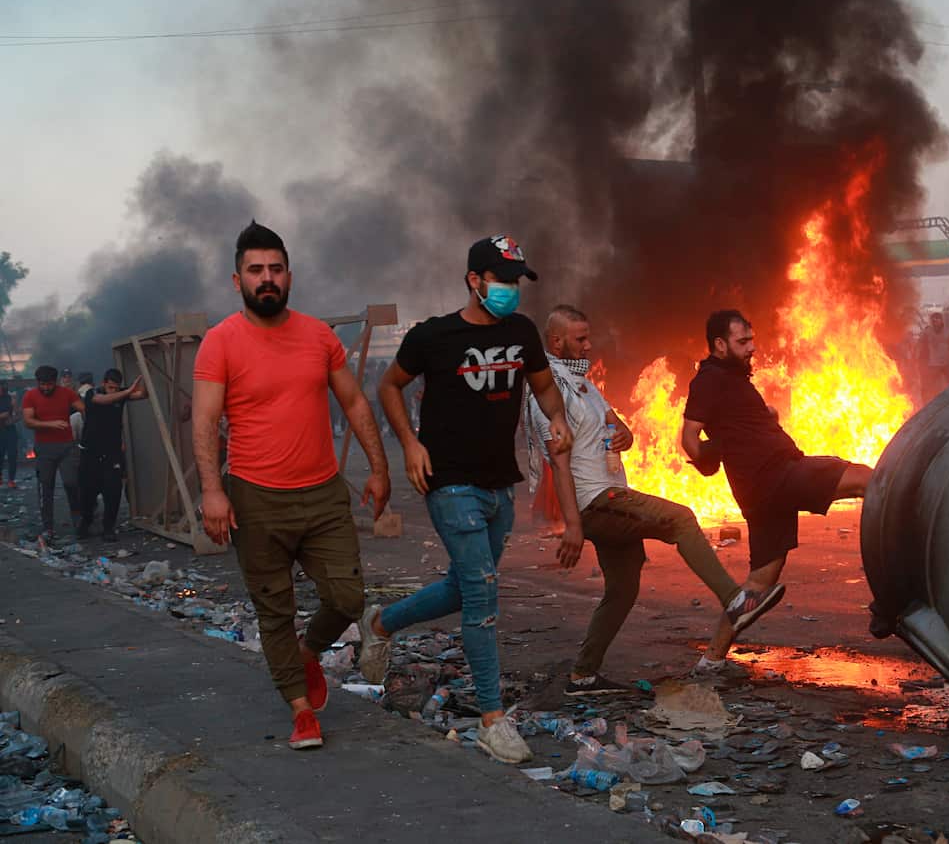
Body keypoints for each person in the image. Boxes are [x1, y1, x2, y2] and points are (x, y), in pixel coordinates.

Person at [362, 234, 571, 765]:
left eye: (517, 281)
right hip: (448, 482)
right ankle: (492, 720)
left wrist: (558, 418)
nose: (511, 290)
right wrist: (410, 443)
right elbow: (389, 386)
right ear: (474, 281)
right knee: (482, 595)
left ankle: (380, 623)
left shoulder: (521, 332)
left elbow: (544, 386)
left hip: (500, 484)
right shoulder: (434, 336)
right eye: (503, 280)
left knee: (465, 586)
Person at [192, 221, 390, 751]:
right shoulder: (220, 342)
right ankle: (302, 710)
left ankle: (308, 652)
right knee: (273, 608)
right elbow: (205, 421)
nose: (267, 278)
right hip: (254, 496)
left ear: (289, 276)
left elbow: (353, 401)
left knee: (348, 597)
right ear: (237, 280)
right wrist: (212, 491)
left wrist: (379, 467)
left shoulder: (319, 336)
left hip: (323, 492)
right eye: (255, 270)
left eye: (276, 269)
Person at [527, 305, 783, 695]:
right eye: (580, 339)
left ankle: (583, 675)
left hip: (610, 492)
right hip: (595, 499)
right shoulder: (549, 392)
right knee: (680, 518)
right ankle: (735, 601)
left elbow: (618, 426)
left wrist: (624, 435)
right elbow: (558, 461)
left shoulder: (583, 384)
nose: (589, 345)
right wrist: (572, 525)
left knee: (623, 588)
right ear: (556, 341)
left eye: (588, 336)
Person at [680, 310, 873, 674]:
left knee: (758, 583)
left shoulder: (731, 378)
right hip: (777, 476)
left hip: (762, 490)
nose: (751, 347)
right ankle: (895, 587)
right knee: (868, 479)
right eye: (742, 342)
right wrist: (708, 461)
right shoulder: (709, 379)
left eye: (751, 340)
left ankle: (710, 661)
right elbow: (689, 438)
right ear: (719, 344)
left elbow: (735, 426)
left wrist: (764, 419)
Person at [77, 369, 147, 541]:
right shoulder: (92, 393)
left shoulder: (122, 394)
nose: (113, 391)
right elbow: (102, 400)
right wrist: (126, 392)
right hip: (91, 452)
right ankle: (86, 522)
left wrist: (145, 374)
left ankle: (108, 528)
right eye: (110, 387)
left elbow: (143, 394)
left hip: (112, 452)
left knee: (113, 491)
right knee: (87, 492)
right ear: (103, 383)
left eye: (116, 388)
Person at [23, 365, 85, 541]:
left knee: (72, 482)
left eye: (49, 384)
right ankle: (48, 527)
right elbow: (28, 421)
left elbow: (84, 408)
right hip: (44, 448)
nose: (46, 388)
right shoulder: (30, 396)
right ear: (38, 382)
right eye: (42, 384)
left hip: (67, 447)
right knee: (46, 487)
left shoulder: (67, 393)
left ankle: (78, 517)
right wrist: (50, 424)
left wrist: (87, 426)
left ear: (55, 381)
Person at [916, 312, 949, 402]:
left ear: (942, 321)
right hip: (933, 365)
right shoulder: (927, 332)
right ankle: (926, 403)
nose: (936, 323)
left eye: (937, 320)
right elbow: (919, 345)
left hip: (946, 363)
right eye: (934, 321)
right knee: (928, 387)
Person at [0, 382, 17, 488]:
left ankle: (11, 479)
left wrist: (13, 414)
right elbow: (5, 414)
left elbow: (16, 415)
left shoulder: (10, 398)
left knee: (12, 455)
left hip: (10, 430)